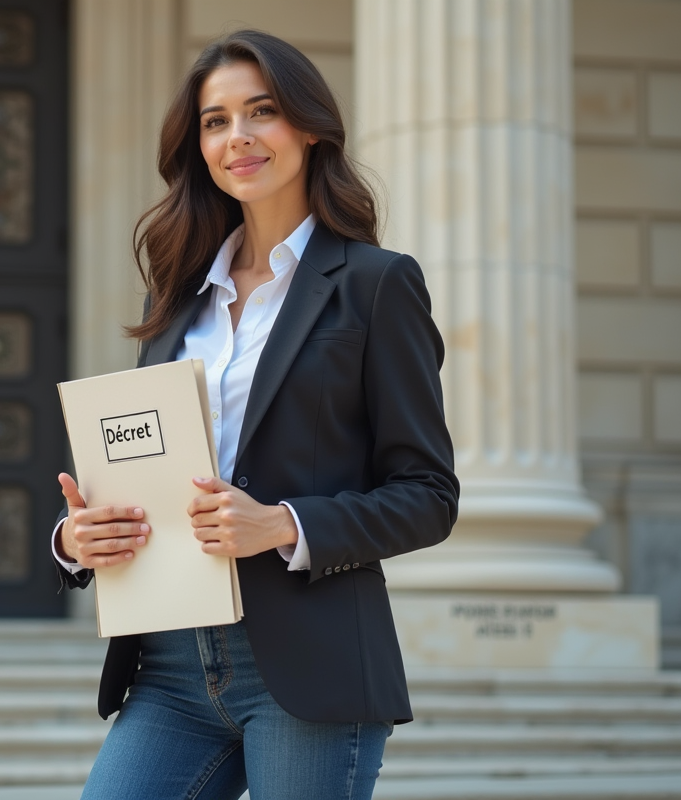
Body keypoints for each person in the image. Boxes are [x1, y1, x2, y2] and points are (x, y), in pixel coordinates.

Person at [52, 29, 459, 800]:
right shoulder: (176, 300)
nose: (236, 137)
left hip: (310, 666)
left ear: (307, 126)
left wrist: (284, 525)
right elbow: (151, 472)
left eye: (260, 111)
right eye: (214, 120)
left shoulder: (375, 286)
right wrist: (77, 537)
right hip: (169, 667)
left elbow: (430, 496)